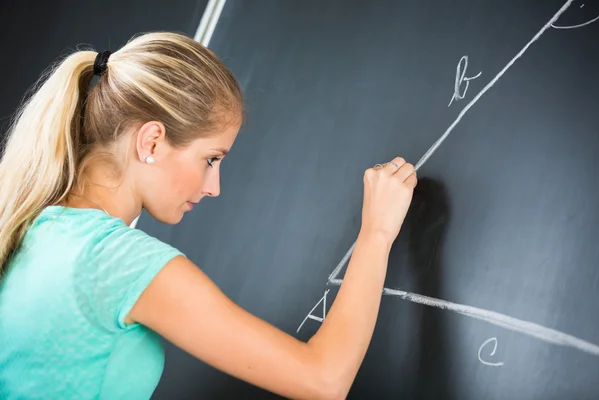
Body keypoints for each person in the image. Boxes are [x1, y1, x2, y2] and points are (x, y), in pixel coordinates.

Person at [0, 31, 417, 399]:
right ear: (152, 141)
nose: (214, 186)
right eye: (211, 159)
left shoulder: (35, 228)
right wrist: (376, 232)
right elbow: (324, 381)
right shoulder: (122, 263)